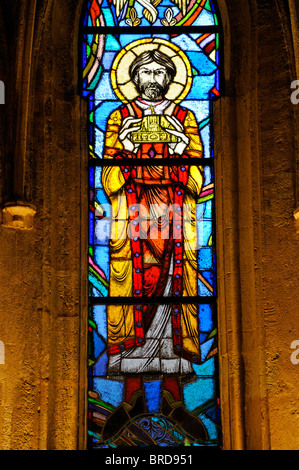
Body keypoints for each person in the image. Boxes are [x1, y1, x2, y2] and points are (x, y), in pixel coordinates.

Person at [101, 49, 208, 442]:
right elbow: (109, 172)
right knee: (135, 304)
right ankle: (130, 398)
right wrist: (126, 148)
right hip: (133, 220)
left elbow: (197, 172)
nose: (151, 77)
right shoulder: (118, 118)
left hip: (174, 221)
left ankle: (171, 397)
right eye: (144, 70)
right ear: (133, 74)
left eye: (159, 71)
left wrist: (181, 151)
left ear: (168, 77)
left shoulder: (186, 119)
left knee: (171, 303)